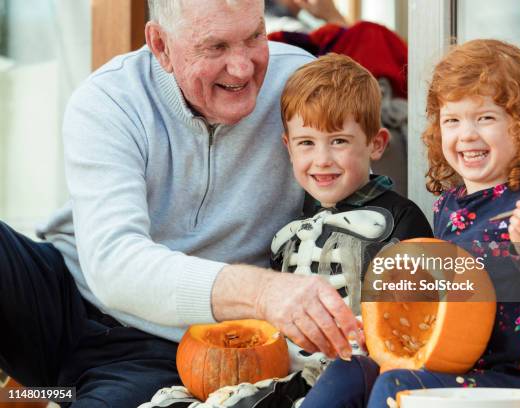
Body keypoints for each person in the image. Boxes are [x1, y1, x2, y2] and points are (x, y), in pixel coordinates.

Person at [0, 1, 366, 407]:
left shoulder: (298, 85)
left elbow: (363, 180)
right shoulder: (110, 98)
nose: (243, 68)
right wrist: (262, 292)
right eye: (215, 47)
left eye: (254, 37)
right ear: (161, 45)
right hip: (62, 295)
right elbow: (114, 265)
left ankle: (48, 396)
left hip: (173, 347)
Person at [300, 39, 520, 408]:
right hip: (449, 367)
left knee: (398, 387)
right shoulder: (448, 206)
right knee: (350, 369)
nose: (466, 134)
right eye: (452, 120)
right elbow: (444, 303)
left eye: (485, 117)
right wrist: (383, 319)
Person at [140, 52, 433, 408]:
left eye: (338, 141)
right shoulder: (290, 230)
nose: (322, 159)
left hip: (355, 373)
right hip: (280, 371)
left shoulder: (402, 219)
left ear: (376, 143)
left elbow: (418, 318)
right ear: (288, 147)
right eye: (307, 143)